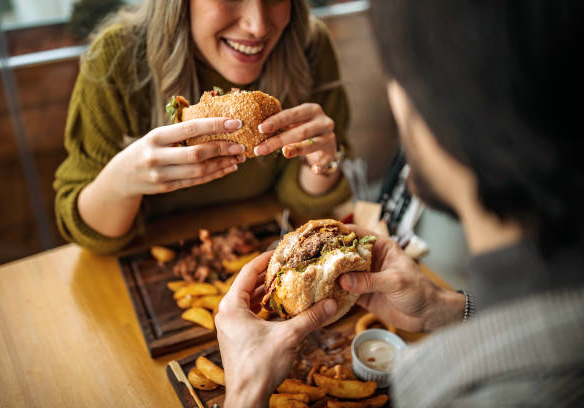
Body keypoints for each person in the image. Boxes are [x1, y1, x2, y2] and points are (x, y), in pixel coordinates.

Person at [215, 1, 584, 406]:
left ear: (448, 113)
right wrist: (447, 309)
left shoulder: (449, 391)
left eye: (399, 79)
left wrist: (245, 391)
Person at [54, 0, 352, 253]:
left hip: (262, 251)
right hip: (147, 261)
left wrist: (322, 161)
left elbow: (304, 208)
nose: (258, 26)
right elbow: (91, 235)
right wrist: (121, 183)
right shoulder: (115, 59)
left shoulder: (308, 46)